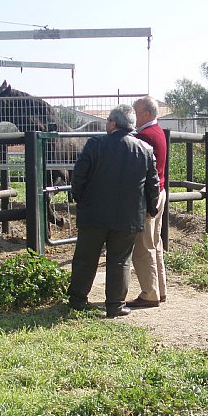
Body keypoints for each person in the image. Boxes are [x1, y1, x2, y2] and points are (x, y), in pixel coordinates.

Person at [67, 104, 160, 318]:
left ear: (113, 123)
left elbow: (78, 177)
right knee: (120, 260)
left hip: (93, 214)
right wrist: (151, 208)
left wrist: (80, 200)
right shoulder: (145, 150)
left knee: (85, 258)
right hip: (128, 217)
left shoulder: (94, 145)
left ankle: (77, 300)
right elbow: (152, 184)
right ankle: (115, 305)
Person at [126, 96, 169, 309]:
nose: (133, 116)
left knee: (143, 248)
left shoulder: (144, 137)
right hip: (159, 192)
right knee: (155, 243)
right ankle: (160, 290)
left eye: (135, 111)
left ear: (145, 114)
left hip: (147, 197)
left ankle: (149, 293)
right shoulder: (158, 132)